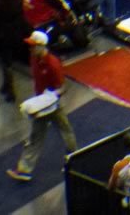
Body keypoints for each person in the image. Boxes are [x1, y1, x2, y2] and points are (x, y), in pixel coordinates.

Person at [8, 30, 79, 182]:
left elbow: (62, 87)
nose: (30, 49)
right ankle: (24, 170)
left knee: (65, 131)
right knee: (37, 136)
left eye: (33, 46)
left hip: (52, 104)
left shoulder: (53, 64)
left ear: (42, 46)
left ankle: (75, 160)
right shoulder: (34, 58)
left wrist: (50, 98)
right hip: (39, 104)